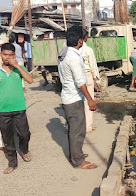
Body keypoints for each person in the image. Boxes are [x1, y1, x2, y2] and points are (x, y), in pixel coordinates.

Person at [0, 43, 33, 174]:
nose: (8, 58)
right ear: (1, 55)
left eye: (11, 55)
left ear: (14, 55)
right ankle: (12, 162)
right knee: (7, 138)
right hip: (3, 110)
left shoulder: (19, 69)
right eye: (5, 55)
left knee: (24, 134)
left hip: (19, 109)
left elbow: (30, 80)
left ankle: (24, 149)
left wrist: (17, 65)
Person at [58, 31, 98, 170]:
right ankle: (77, 161)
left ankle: (77, 154)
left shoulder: (64, 53)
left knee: (76, 129)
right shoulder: (73, 57)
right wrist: (90, 100)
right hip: (73, 98)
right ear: (80, 41)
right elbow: (80, 82)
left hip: (69, 96)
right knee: (77, 131)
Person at [79, 27, 101, 133]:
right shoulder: (88, 50)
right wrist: (97, 81)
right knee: (89, 101)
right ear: (85, 38)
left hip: (75, 77)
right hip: (87, 76)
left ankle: (75, 126)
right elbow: (93, 66)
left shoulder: (67, 49)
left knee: (77, 102)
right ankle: (88, 127)